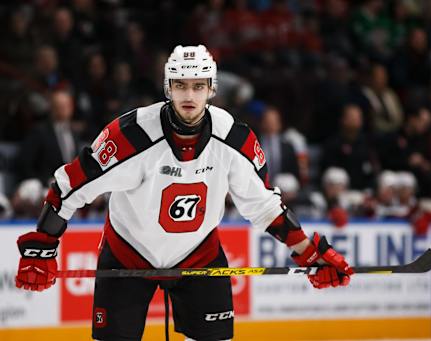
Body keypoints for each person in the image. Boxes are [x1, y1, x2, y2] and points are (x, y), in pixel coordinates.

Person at [15, 45, 353, 341]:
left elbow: (264, 207)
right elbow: (69, 186)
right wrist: (41, 247)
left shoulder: (234, 139)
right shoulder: (131, 136)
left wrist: (309, 253)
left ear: (211, 89)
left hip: (199, 255)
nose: (189, 96)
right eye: (180, 86)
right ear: (168, 88)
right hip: (128, 254)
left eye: (197, 86)